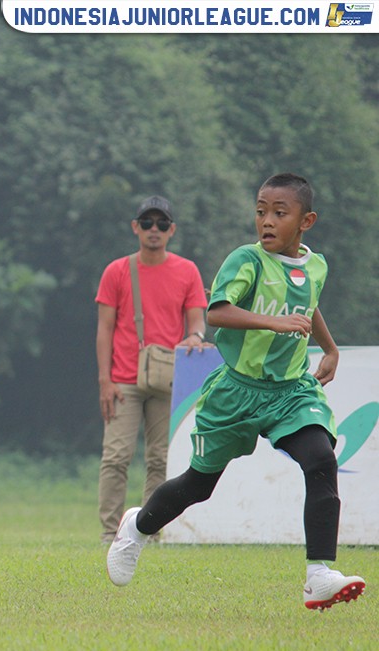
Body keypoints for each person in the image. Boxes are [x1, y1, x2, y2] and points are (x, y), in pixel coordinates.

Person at [107, 173, 366, 611]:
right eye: (261, 211)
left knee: (321, 459)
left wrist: (330, 348)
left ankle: (319, 574)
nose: (266, 221)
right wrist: (275, 322)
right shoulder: (246, 259)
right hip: (236, 393)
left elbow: (309, 301)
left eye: (279, 213)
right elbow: (219, 313)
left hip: (289, 391)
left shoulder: (315, 265)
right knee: (198, 487)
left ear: (307, 221)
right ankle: (137, 526)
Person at [95, 195, 209, 543]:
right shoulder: (117, 270)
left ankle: (148, 530)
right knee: (116, 457)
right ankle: (109, 533)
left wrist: (195, 337)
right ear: (135, 228)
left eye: (161, 224)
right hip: (124, 379)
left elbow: (197, 322)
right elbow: (105, 328)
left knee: (160, 459)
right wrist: (105, 380)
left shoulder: (187, 270)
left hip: (168, 378)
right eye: (147, 223)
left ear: (171, 230)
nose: (154, 230)